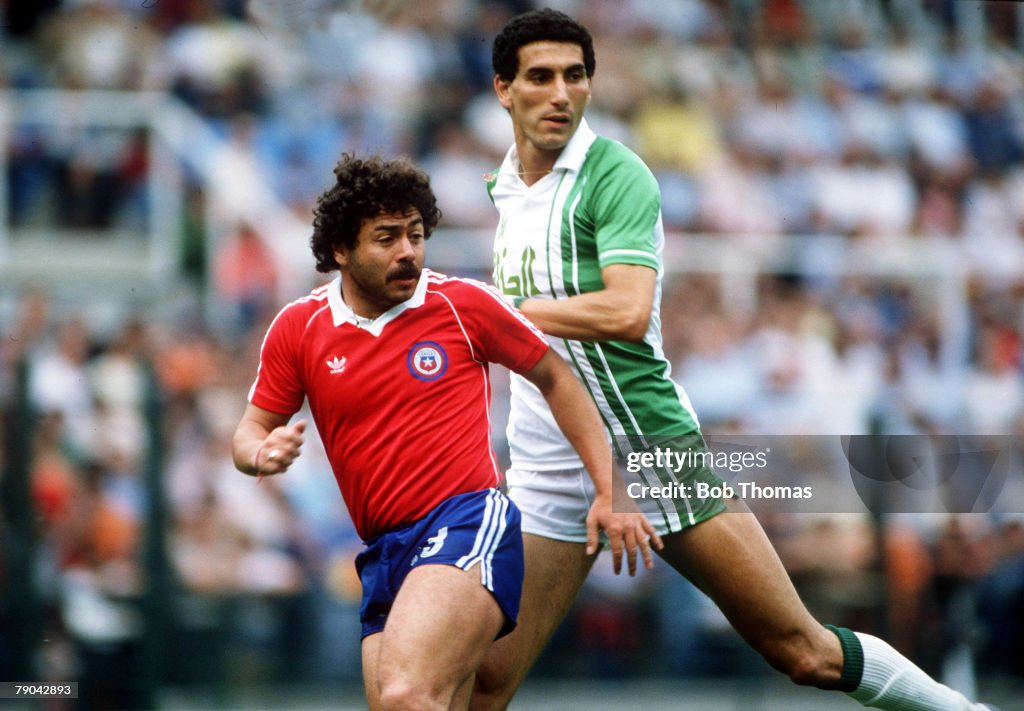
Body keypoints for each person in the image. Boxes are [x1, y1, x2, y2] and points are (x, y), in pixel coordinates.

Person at [471, 9, 999, 711]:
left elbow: (626, 311)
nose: (562, 92)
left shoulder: (615, 175)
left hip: (650, 447)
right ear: (504, 90)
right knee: (488, 679)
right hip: (549, 458)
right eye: (541, 77)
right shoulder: (504, 188)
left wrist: (495, 314)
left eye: (576, 75)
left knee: (799, 649)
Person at [231, 153, 658, 711]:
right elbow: (249, 433)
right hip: (384, 551)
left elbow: (559, 378)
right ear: (341, 250)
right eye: (386, 237)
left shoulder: (461, 305)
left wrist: (607, 490)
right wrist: (261, 452)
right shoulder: (299, 328)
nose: (408, 250)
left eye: (415, 233)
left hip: (466, 522)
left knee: (409, 695)